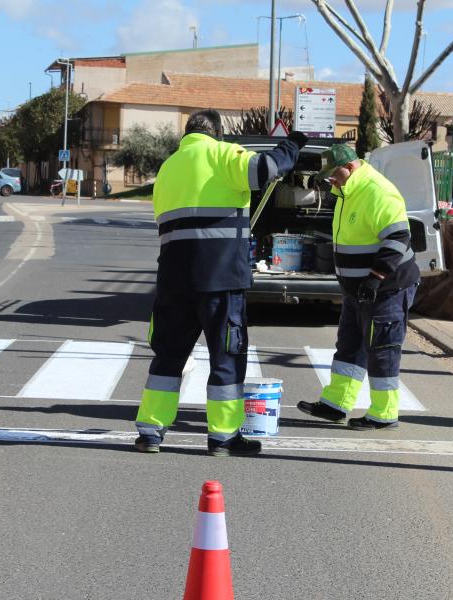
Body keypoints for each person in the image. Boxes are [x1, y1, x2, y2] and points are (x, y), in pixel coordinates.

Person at [135, 109, 308, 456]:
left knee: (168, 357)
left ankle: (150, 432)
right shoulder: (224, 153)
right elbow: (268, 170)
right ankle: (223, 437)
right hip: (220, 279)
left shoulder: (168, 167)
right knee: (226, 356)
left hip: (172, 278)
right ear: (217, 133)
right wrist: (294, 143)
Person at [298, 144, 419, 430]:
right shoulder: (346, 190)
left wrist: (375, 277)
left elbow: (399, 238)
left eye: (334, 174)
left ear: (350, 166)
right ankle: (336, 404)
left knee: (382, 348)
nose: (331, 180)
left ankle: (383, 413)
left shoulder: (377, 190)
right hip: (359, 288)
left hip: (386, 287)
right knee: (350, 345)